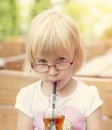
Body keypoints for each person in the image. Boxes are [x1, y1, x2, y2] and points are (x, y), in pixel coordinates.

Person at [15, 9, 103, 130]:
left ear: (75, 56)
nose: (52, 72)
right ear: (32, 61)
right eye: (42, 62)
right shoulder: (28, 97)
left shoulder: (88, 97)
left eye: (60, 60)